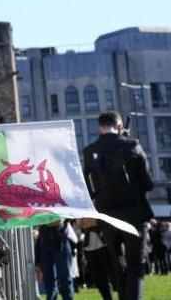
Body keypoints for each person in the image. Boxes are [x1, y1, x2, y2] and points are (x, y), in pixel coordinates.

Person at [82, 111, 154, 300]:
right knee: (135, 266)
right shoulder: (132, 145)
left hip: (106, 216)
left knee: (118, 265)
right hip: (134, 214)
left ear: (100, 128)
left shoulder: (90, 151)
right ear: (120, 126)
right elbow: (148, 182)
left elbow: (88, 187)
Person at [35, 220, 75, 300]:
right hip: (45, 234)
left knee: (64, 276)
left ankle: (67, 298)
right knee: (48, 277)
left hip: (60, 234)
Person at [80, 218, 117, 300]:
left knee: (112, 274)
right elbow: (82, 224)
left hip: (104, 243)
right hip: (89, 246)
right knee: (99, 278)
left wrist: (93, 222)